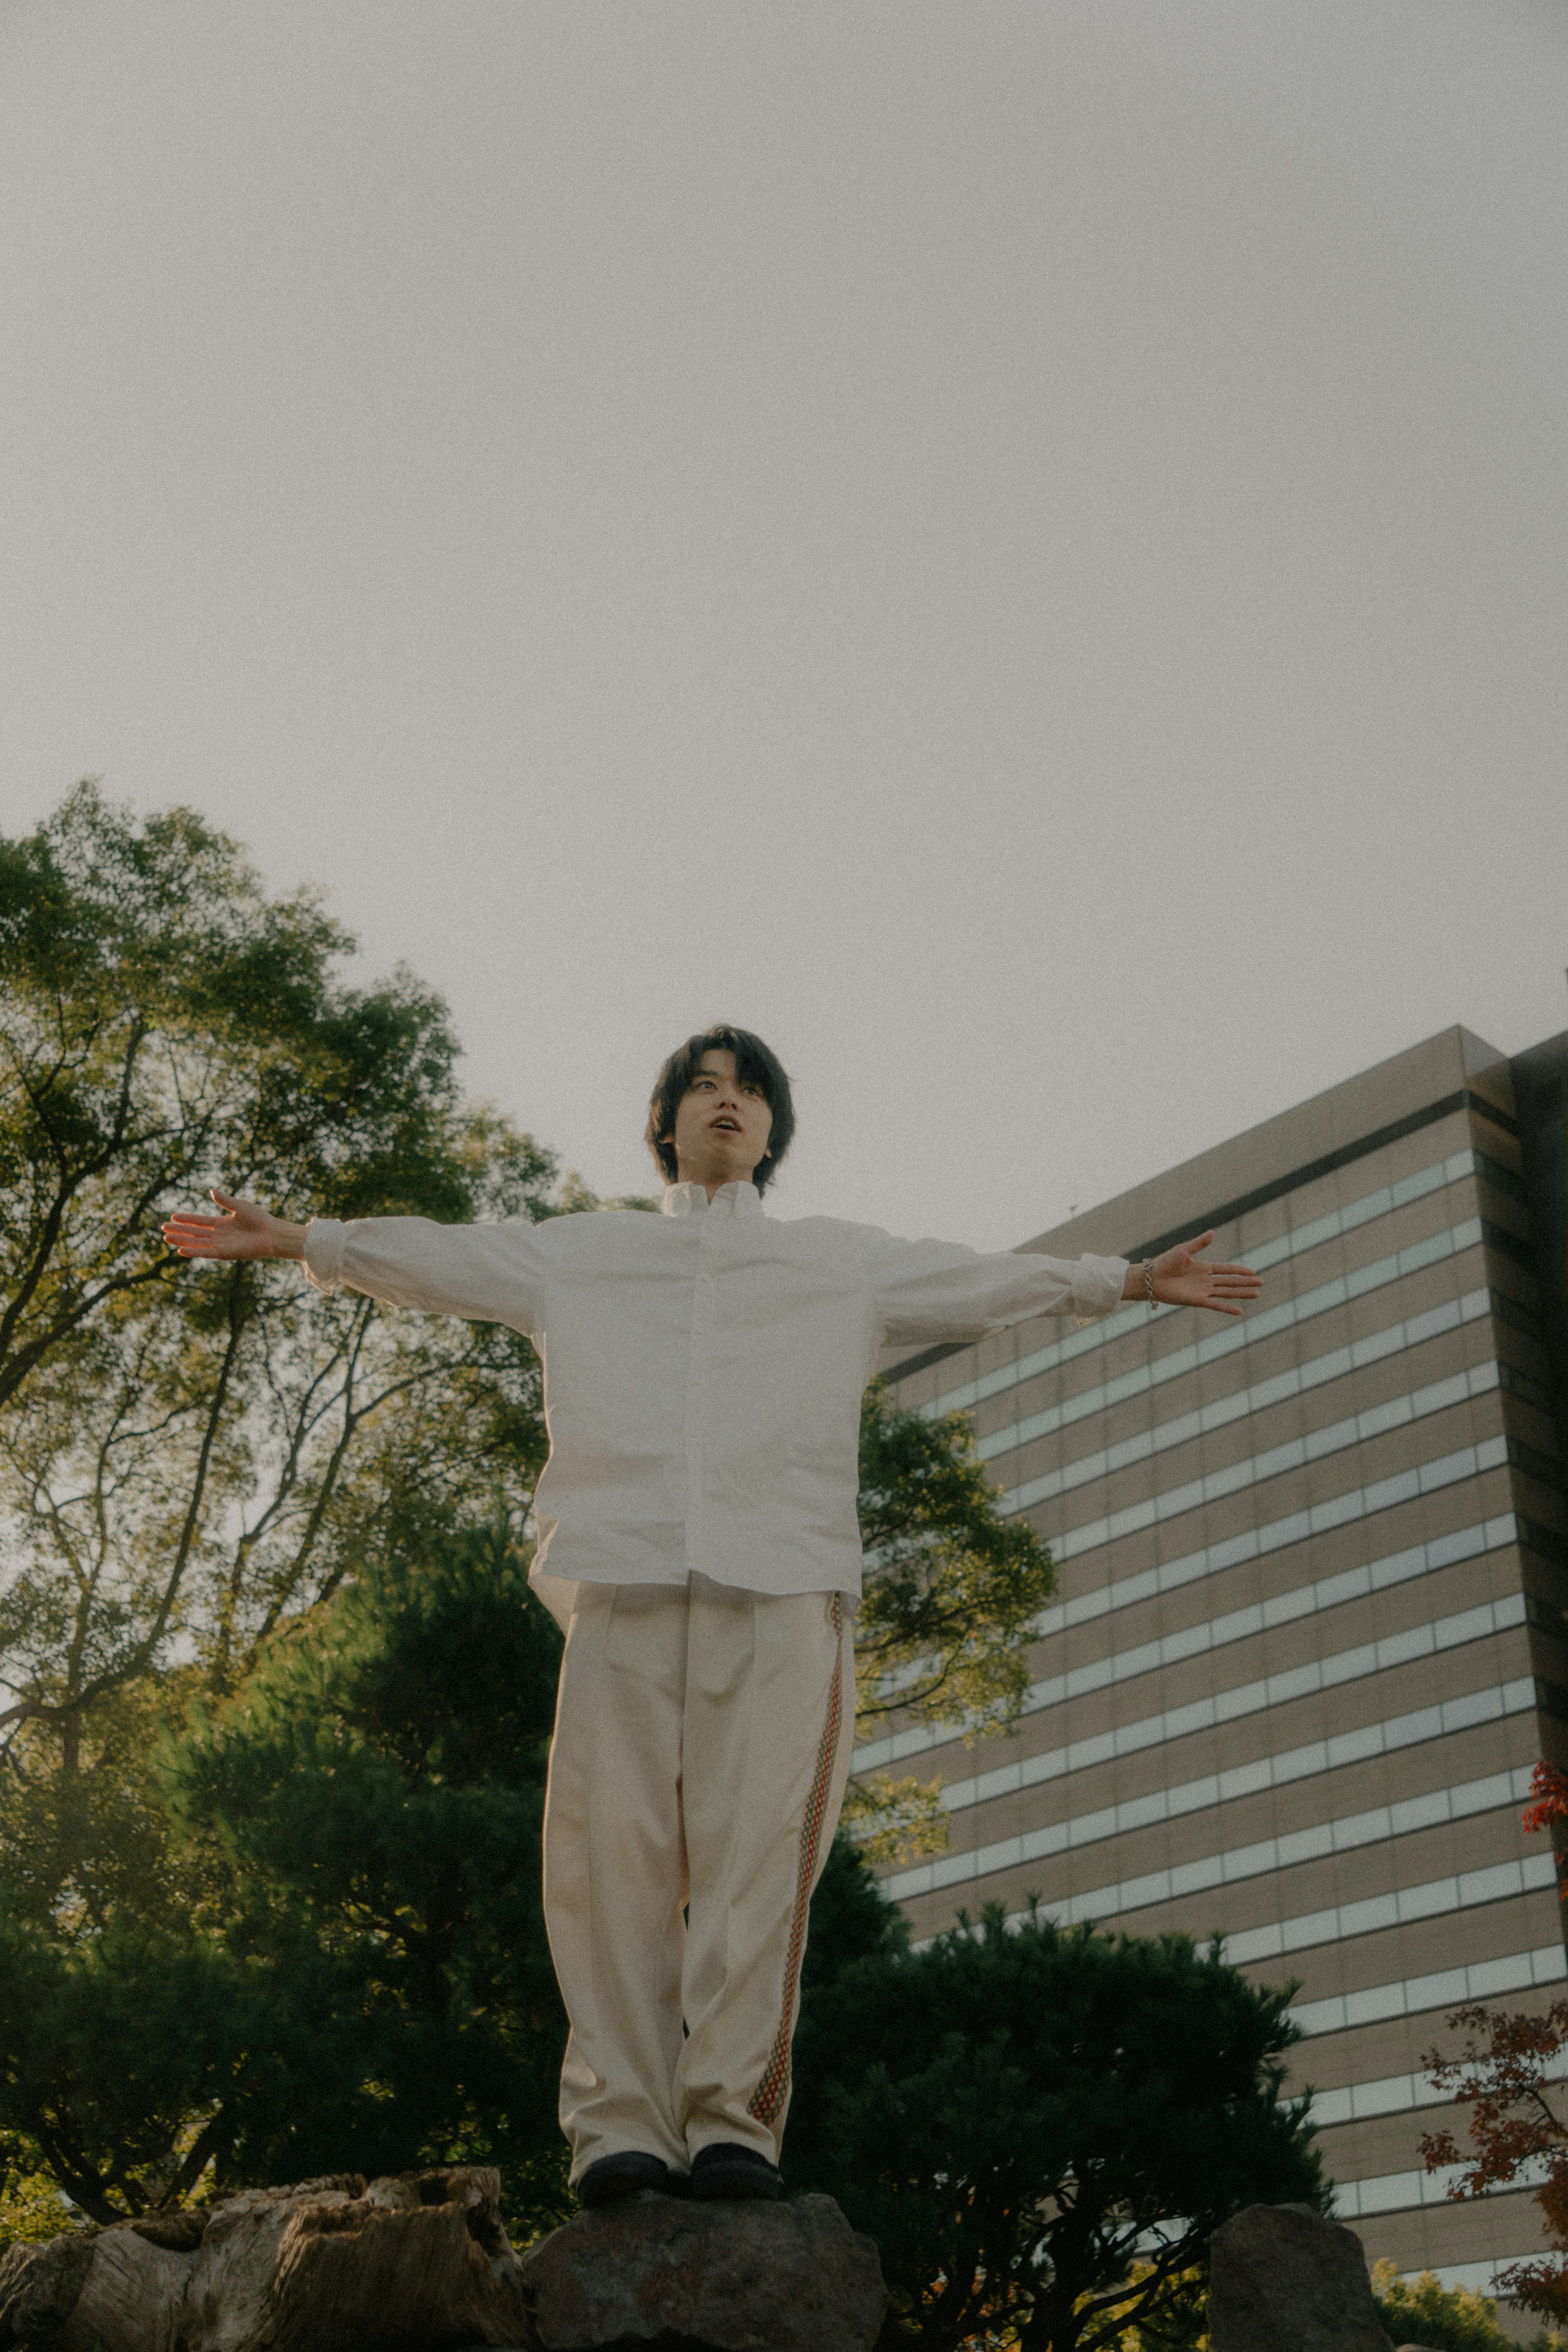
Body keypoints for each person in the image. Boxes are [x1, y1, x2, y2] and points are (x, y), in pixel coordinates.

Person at [163, 1023, 1262, 2208]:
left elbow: (990, 1280)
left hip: (785, 1586)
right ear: (667, 1123)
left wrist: (1132, 1279)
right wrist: (304, 1241)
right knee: (609, 1862)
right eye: (702, 1085)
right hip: (623, 1583)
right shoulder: (584, 1255)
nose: (726, 1102)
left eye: (749, 1089)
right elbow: (451, 1257)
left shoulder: (842, 1264)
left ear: (775, 1127)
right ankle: (619, 2129)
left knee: (756, 1864)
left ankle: (734, 2122)